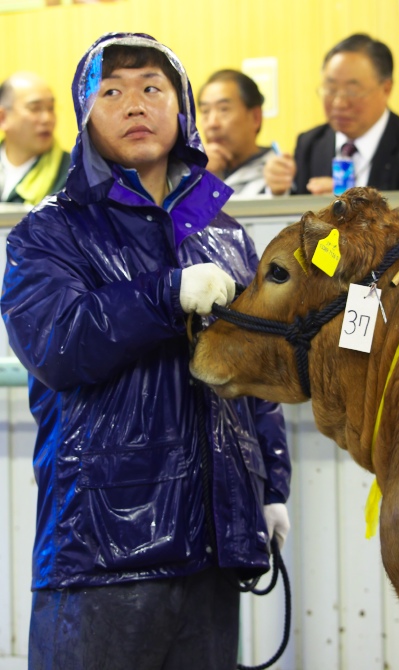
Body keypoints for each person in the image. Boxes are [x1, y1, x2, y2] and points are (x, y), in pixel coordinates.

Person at [1, 32, 291, 670]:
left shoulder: (227, 235)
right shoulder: (46, 233)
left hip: (216, 542)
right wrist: (166, 295)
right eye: (112, 92)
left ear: (181, 108)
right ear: (85, 117)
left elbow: (258, 376)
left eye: (152, 89)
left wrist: (271, 485)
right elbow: (59, 345)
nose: (135, 104)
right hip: (98, 549)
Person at [264, 33, 399, 195]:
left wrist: (351, 202)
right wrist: (278, 190)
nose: (339, 103)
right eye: (330, 90)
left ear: (386, 89)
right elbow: (297, 205)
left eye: (352, 91)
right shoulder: (310, 144)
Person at [198, 69, 274, 197]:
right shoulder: (195, 171)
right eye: (205, 111)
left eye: (224, 109)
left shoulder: (277, 176)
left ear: (255, 118)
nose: (212, 123)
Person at [0, 71, 71, 204]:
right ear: (3, 118)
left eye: (51, 108)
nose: (47, 119)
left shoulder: (73, 173)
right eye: (35, 109)